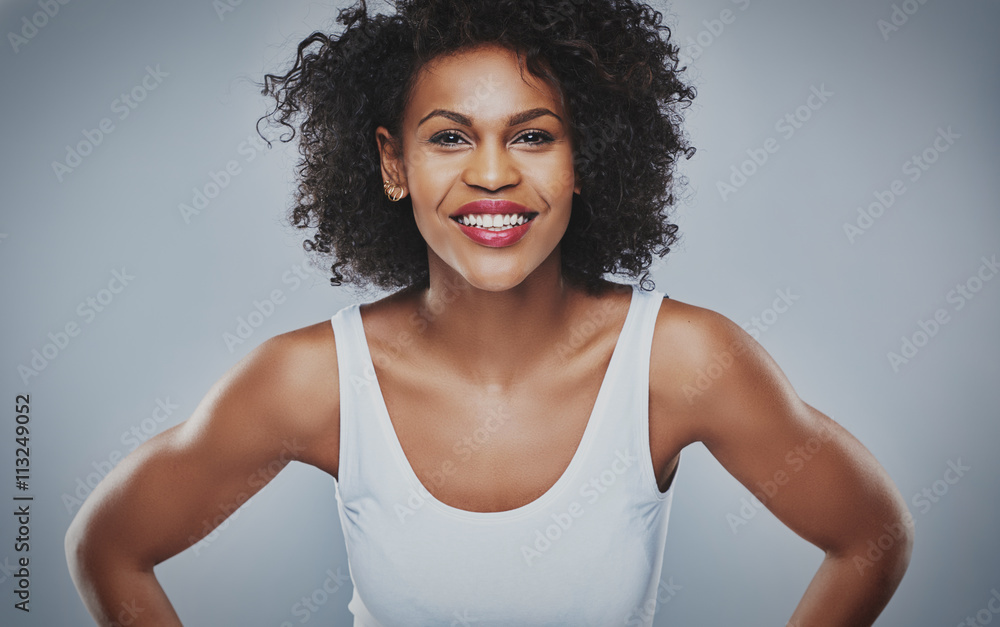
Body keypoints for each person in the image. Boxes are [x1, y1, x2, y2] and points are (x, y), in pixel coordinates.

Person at [64, 0, 913, 625]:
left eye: (534, 135)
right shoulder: (313, 378)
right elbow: (108, 545)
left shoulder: (680, 360)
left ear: (588, 159)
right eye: (449, 137)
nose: (495, 174)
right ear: (393, 164)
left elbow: (871, 535)